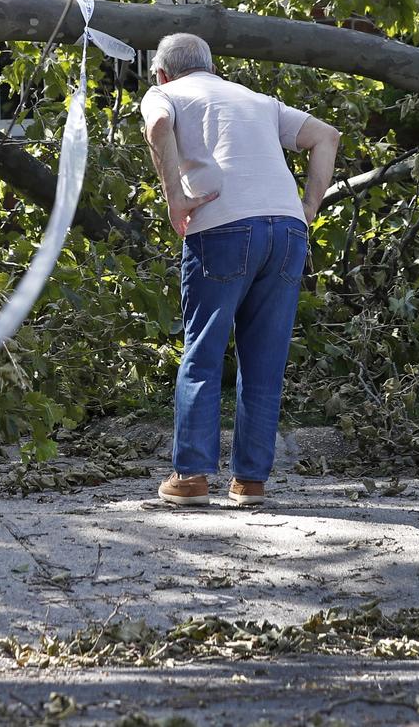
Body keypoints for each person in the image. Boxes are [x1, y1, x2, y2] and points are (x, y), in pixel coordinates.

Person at [140, 33, 341, 508]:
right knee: (264, 359)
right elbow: (326, 136)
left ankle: (190, 476)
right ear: (210, 66)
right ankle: (250, 481)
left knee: (204, 350)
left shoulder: (164, 94)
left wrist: (175, 201)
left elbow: (157, 128)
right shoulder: (258, 99)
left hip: (221, 227)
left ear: (162, 73)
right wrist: (307, 208)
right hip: (286, 230)